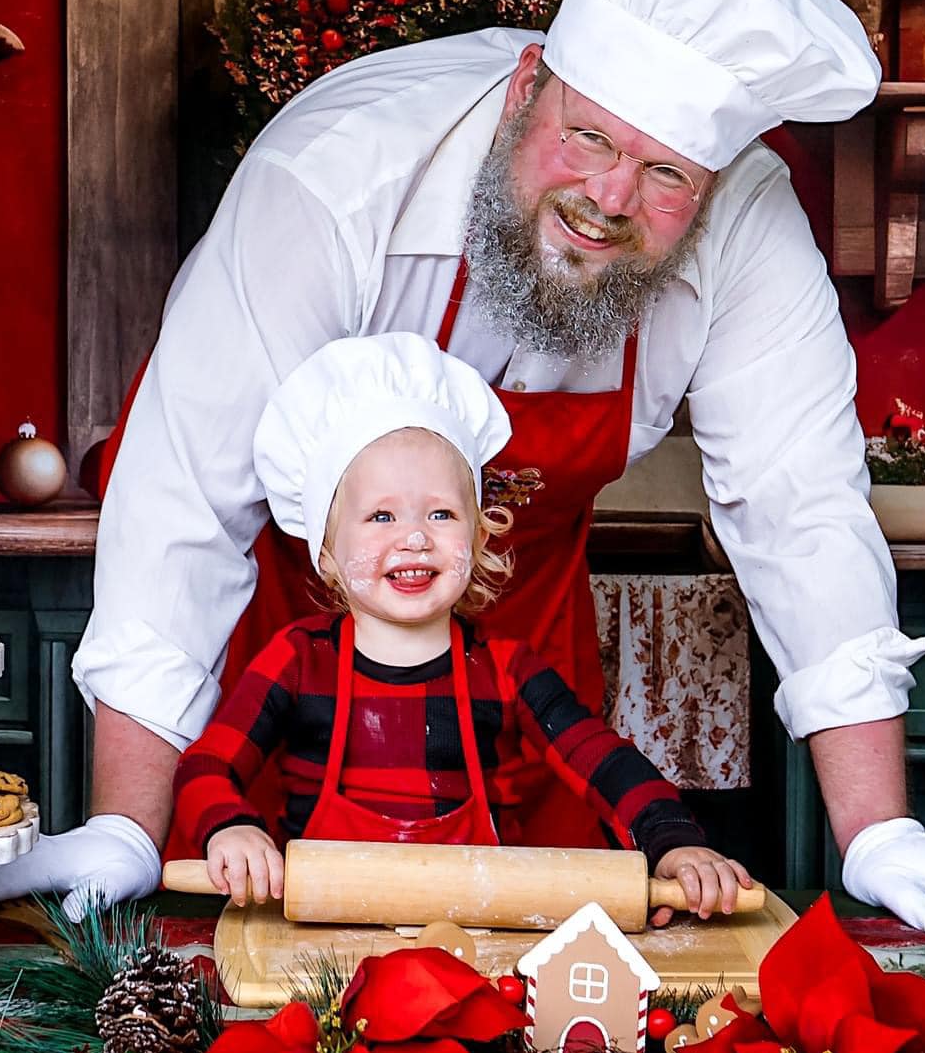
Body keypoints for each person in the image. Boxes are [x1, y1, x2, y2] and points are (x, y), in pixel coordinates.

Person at [0, 0, 925, 931]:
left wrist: (873, 829)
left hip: (521, 650)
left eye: (666, 176)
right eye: (587, 137)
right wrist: (129, 824)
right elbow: (182, 503)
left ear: (715, 182)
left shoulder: (749, 234)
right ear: (523, 89)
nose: (606, 200)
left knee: (545, 1017)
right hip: (290, 629)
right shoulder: (331, 176)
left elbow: (802, 510)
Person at [179, 333, 751, 922]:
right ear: (325, 550)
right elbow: (206, 767)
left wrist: (673, 838)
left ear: (478, 540)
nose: (415, 536)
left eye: (442, 514)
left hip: (477, 944)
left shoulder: (506, 669)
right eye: (381, 515)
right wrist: (232, 828)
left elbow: (603, 761)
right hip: (320, 945)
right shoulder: (298, 662)